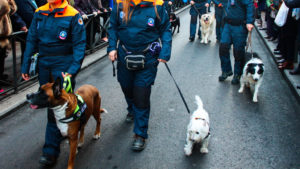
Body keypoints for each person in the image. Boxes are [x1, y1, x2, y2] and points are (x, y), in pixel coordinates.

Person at [21, 0, 86, 166]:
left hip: (63, 65)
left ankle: (50, 151)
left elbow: (79, 45)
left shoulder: (72, 14)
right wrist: (25, 64)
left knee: (60, 105)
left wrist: (72, 70)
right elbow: (31, 39)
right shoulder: (40, 12)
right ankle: (60, 137)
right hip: (44, 65)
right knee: (50, 104)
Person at [108, 0, 171, 151]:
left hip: (148, 58)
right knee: (126, 87)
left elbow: (165, 30)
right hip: (124, 56)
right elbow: (113, 28)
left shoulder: (158, 5)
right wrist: (111, 48)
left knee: (141, 95)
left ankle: (140, 134)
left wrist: (165, 52)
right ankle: (131, 108)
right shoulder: (119, 4)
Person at [218, 0, 254, 84]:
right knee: (223, 47)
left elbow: (249, 6)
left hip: (239, 26)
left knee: (238, 51)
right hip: (228, 25)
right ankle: (226, 70)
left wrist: (249, 21)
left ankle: (237, 73)